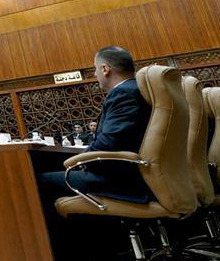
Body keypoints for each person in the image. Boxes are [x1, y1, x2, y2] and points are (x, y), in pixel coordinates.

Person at [38, 46, 153, 205]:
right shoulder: (136, 88)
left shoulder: (124, 93)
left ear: (105, 69)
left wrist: (78, 162)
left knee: (38, 180)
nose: (94, 74)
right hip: (133, 172)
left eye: (95, 69)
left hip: (121, 180)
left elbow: (109, 143)